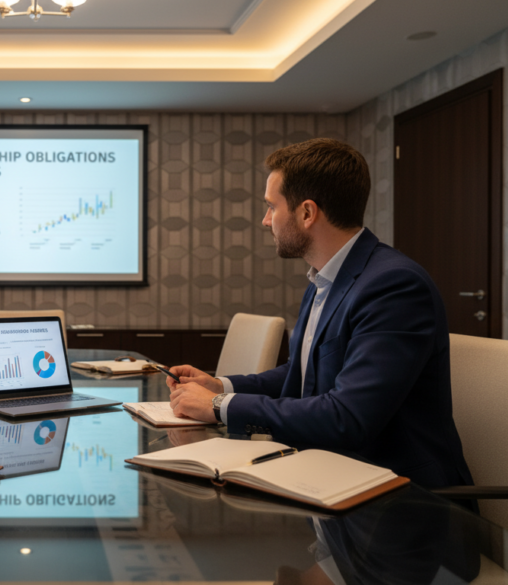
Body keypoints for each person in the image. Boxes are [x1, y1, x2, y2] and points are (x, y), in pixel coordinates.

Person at [166, 138, 473, 490]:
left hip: (399, 503)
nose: (266, 221)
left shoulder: (394, 286)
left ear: (307, 213)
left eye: (271, 207)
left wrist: (220, 405)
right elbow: (304, 375)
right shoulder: (324, 278)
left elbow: (348, 417)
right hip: (330, 478)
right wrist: (220, 385)